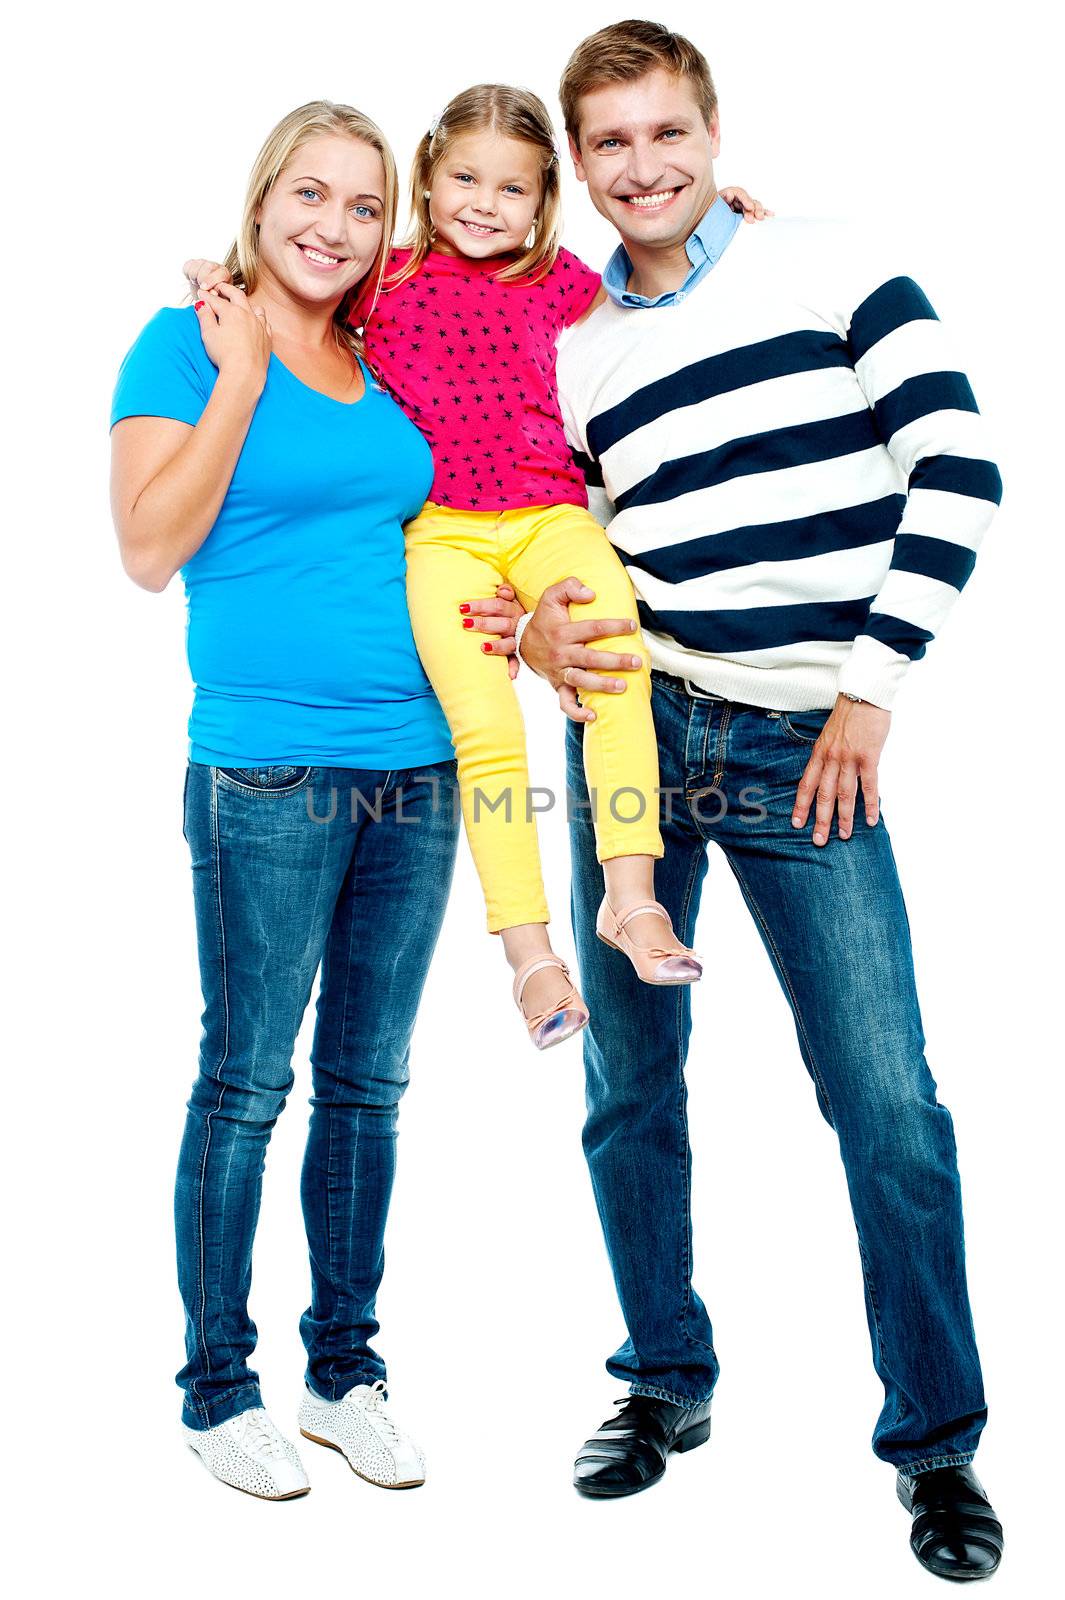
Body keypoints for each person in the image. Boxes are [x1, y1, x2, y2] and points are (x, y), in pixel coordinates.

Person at [509, 19, 1004, 1582]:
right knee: (630, 1088)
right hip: (641, 737)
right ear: (579, 168)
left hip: (808, 751)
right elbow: (567, 545)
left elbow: (959, 467)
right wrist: (535, 630)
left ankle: (934, 1447)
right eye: (610, 145)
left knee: (887, 1108)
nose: (641, 168)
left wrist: (869, 690)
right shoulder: (574, 349)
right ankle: (662, 1380)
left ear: (711, 135)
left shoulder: (834, 262)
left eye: (666, 134)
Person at [110, 101, 460, 1500]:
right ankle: (215, 1388)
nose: (332, 224)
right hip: (265, 769)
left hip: (419, 770)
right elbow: (146, 549)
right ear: (261, 206)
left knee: (368, 1085)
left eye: (364, 206)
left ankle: (343, 1371)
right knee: (248, 1081)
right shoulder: (182, 344)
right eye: (308, 195)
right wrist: (241, 376)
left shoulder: (383, 360)